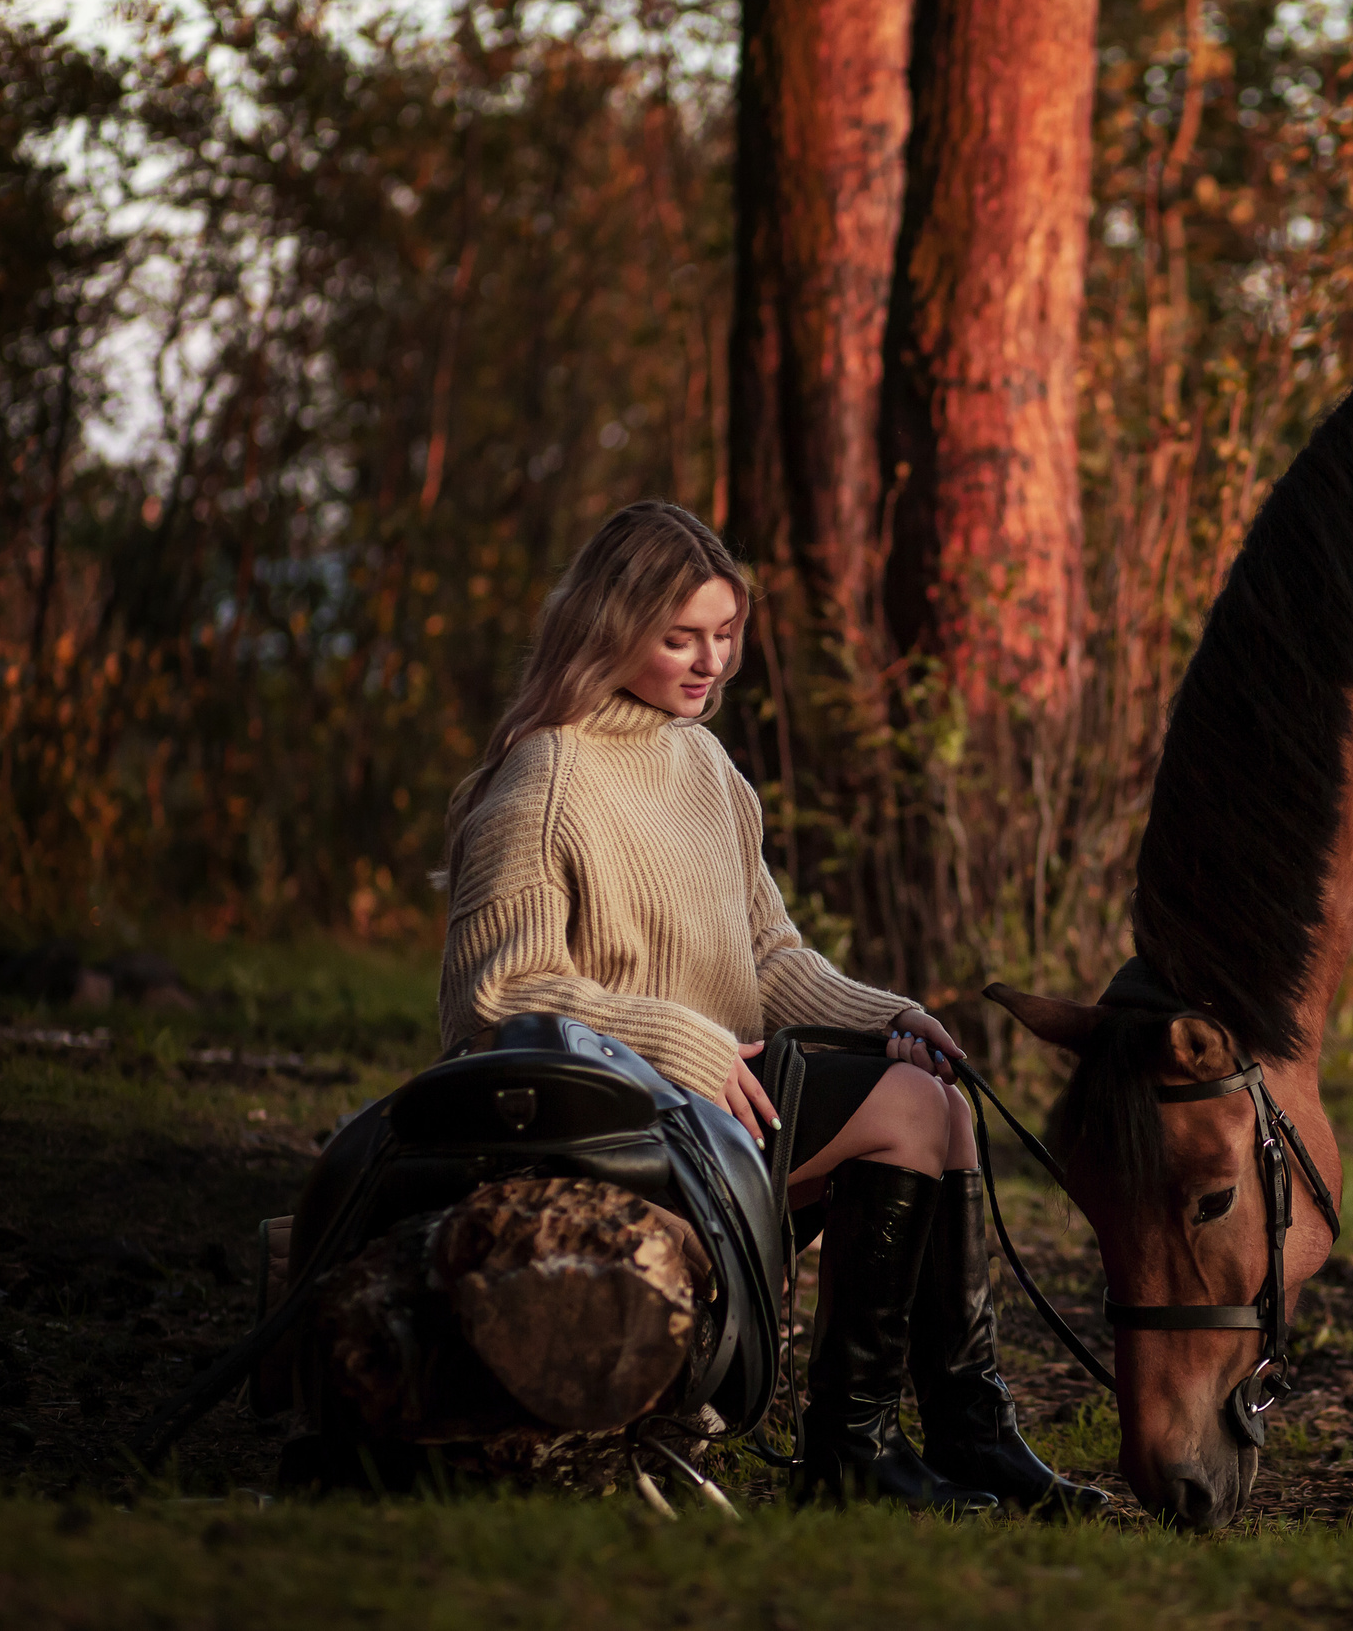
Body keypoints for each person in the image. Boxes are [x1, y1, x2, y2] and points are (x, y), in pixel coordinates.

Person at [437, 500, 1102, 1517]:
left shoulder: (705, 765)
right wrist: (679, 1039)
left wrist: (886, 1013)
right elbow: (500, 997)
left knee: (940, 1100)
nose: (710, 662)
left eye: (725, 636)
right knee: (917, 1113)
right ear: (610, 629)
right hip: (610, 1123)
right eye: (680, 638)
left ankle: (959, 1430)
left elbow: (770, 953)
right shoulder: (548, 776)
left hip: (719, 1103)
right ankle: (855, 1453)